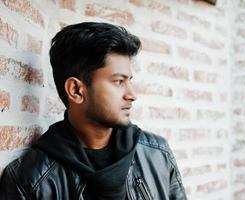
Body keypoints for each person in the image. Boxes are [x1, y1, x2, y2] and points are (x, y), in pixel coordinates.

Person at [0, 22, 187, 200]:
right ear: (76, 90)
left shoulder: (158, 154)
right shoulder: (29, 179)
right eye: (118, 82)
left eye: (130, 80)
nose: (132, 94)